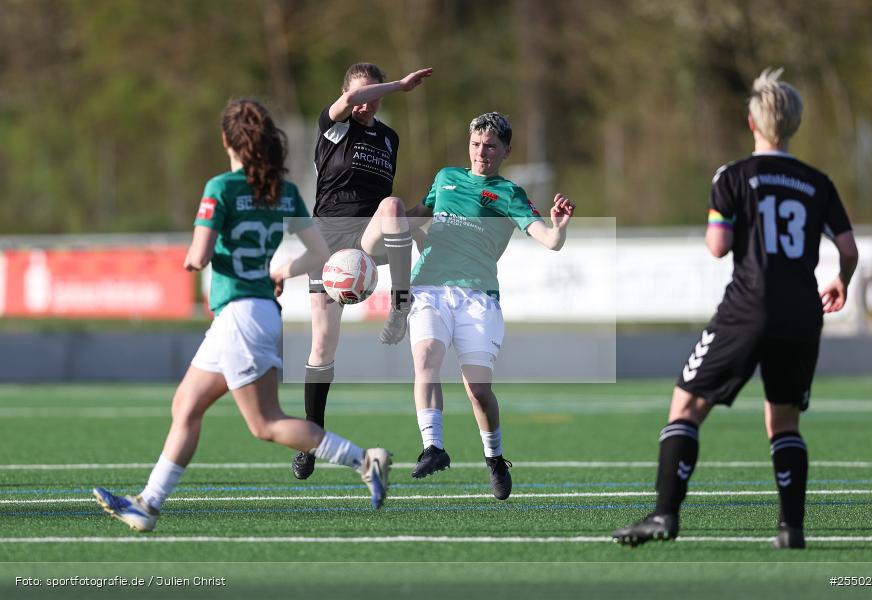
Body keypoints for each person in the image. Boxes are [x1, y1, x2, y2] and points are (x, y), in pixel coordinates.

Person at [93, 99, 392, 532]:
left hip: (239, 315)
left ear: (226, 141)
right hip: (256, 314)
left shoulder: (222, 188)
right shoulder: (284, 191)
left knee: (266, 423)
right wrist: (279, 269)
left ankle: (364, 461)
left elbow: (196, 257)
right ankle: (148, 504)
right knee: (187, 404)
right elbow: (321, 254)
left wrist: (196, 256)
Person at [612, 68, 858, 549]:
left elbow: (718, 246)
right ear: (794, 125)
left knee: (686, 404)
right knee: (784, 420)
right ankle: (790, 529)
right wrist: (841, 282)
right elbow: (848, 250)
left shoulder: (733, 176)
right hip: (802, 311)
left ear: (751, 123)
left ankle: (664, 515)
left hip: (749, 306)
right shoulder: (817, 182)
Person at [402, 112, 575, 499]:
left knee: (478, 389)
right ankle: (433, 447)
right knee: (426, 357)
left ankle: (494, 458)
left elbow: (549, 240)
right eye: (476, 144)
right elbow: (417, 216)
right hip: (430, 288)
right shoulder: (446, 177)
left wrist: (559, 226)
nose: (482, 152)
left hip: (477, 298)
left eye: (491, 146)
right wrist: (389, 221)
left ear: (506, 151)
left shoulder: (509, 193)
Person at [291, 63, 432, 481]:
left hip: (368, 238)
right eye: (361, 93)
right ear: (346, 93)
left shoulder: (390, 138)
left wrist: (422, 221)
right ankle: (310, 440)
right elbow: (351, 102)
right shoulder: (333, 126)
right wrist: (401, 85)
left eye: (377, 94)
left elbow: (392, 216)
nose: (368, 101)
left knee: (393, 206)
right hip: (329, 242)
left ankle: (400, 303)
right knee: (322, 347)